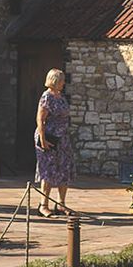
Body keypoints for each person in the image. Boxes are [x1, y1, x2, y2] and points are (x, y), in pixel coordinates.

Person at [33, 68, 77, 217]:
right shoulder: (47, 97)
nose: (64, 83)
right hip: (49, 138)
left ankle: (61, 204)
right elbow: (40, 119)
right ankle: (43, 205)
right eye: (62, 80)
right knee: (48, 170)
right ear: (55, 81)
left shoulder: (61, 97)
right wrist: (43, 139)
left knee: (64, 169)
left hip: (62, 138)